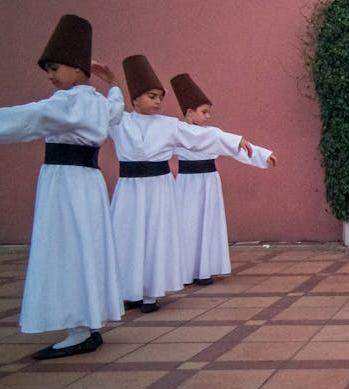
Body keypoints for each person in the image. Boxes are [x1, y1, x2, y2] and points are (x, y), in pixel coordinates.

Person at [0, 14, 123, 359]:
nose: (51, 76)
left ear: (76, 70)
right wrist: (114, 82)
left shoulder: (67, 102)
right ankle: (86, 323)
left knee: (65, 247)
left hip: (65, 186)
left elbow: (32, 116)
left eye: (56, 68)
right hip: (88, 183)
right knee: (85, 248)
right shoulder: (99, 104)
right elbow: (117, 110)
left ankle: (78, 330)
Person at [110, 55, 254, 313]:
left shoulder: (169, 126)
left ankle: (151, 294)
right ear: (134, 100)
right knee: (127, 236)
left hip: (157, 189)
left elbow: (201, 136)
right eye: (151, 96)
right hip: (129, 189)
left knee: (154, 236)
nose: (157, 101)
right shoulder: (120, 121)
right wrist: (111, 83)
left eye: (159, 97)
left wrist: (235, 141)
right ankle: (130, 289)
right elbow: (105, 111)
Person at [170, 73, 276, 287]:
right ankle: (184, 270)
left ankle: (204, 269)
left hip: (208, 183)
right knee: (186, 225)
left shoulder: (212, 133)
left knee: (206, 224)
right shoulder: (175, 131)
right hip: (186, 185)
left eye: (209, 112)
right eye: (204, 112)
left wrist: (262, 154)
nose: (208, 116)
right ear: (189, 112)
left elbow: (236, 147)